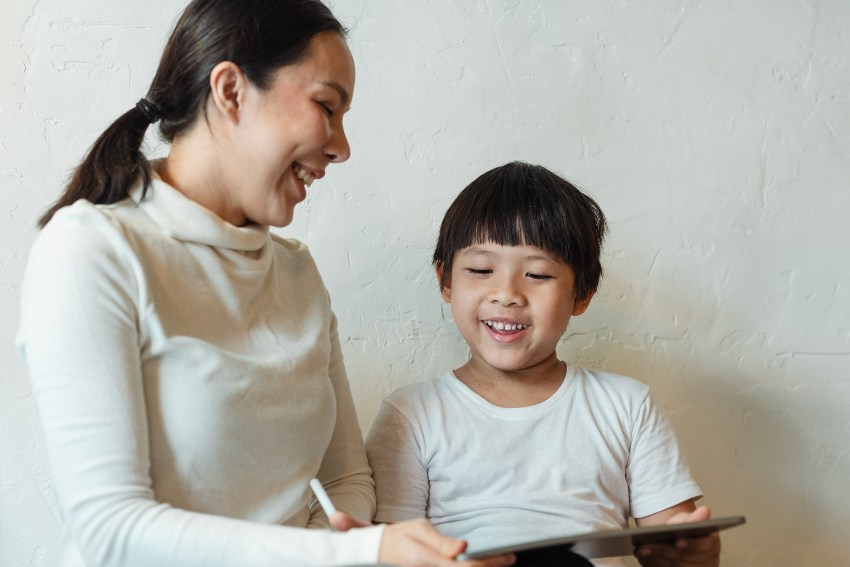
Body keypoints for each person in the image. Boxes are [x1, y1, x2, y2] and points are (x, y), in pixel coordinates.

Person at [16, 1, 516, 566]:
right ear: (230, 90)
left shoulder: (297, 273)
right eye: (327, 106)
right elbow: (110, 528)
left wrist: (355, 544)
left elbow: (347, 476)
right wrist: (360, 552)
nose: (341, 146)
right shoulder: (92, 250)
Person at [365, 162, 722, 567]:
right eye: (481, 270)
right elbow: (391, 552)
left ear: (581, 294)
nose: (507, 294)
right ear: (446, 281)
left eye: (537, 274)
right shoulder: (410, 413)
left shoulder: (626, 405)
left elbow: (671, 536)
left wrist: (693, 554)